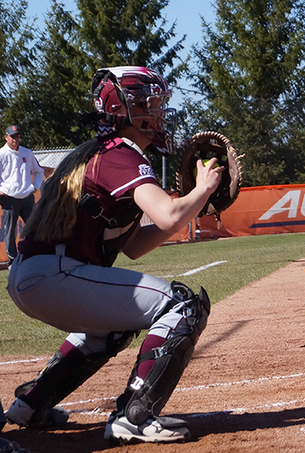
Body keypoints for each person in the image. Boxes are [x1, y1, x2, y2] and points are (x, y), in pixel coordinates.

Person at [4, 66, 222, 444]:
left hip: (36, 276)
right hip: (55, 273)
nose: (159, 112)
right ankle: (134, 415)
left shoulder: (100, 153)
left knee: (115, 326)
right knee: (183, 305)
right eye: (150, 104)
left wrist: (194, 206)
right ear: (124, 109)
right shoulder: (121, 153)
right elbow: (169, 214)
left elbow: (135, 246)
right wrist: (202, 190)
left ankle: (31, 404)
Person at [0, 125, 45, 265]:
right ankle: (12, 261)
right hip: (9, 198)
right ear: (6, 137)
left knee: (34, 227)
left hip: (27, 197)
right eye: (12, 136)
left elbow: (39, 171)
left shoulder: (27, 153)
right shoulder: (1, 154)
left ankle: (36, 254)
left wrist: (35, 187)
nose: (15, 139)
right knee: (10, 231)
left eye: (17, 136)